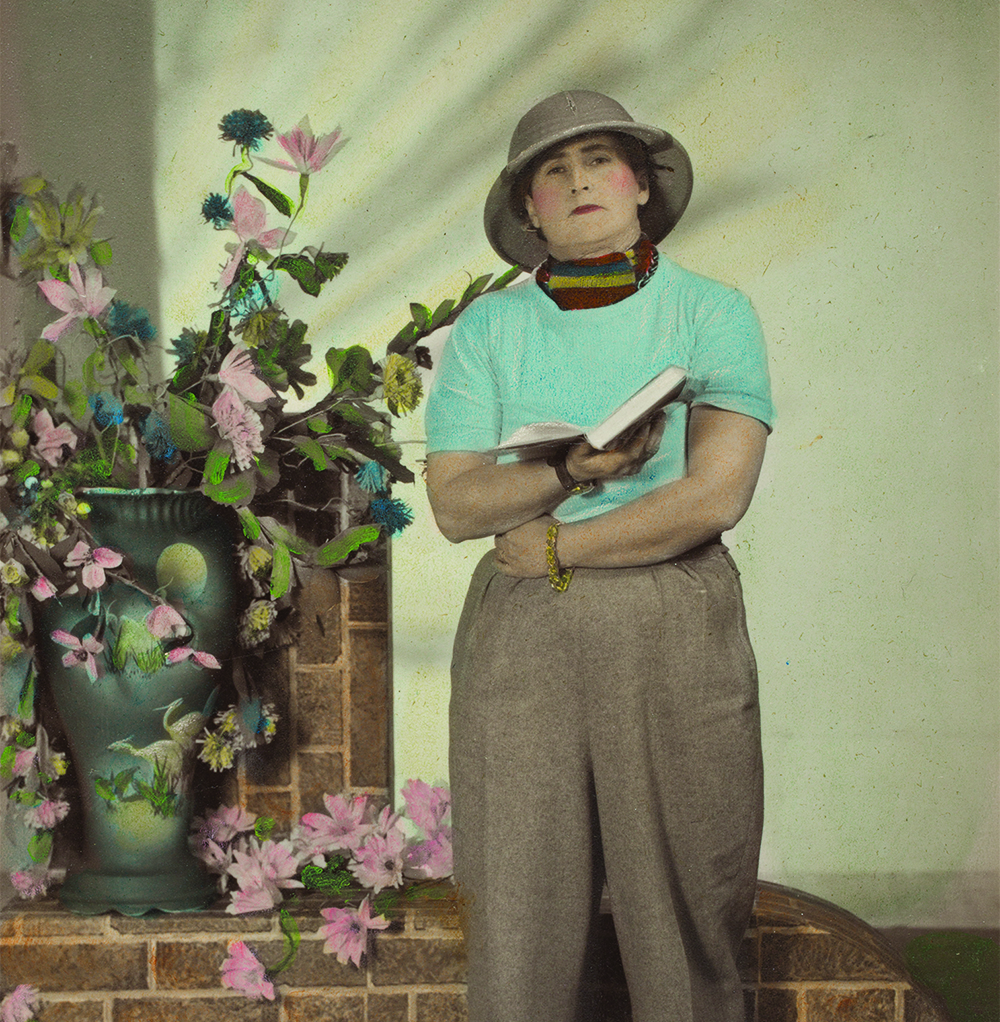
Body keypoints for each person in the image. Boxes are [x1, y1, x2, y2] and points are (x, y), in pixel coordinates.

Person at [424, 90, 775, 1022]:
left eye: (599, 161)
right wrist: (571, 471)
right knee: (520, 908)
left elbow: (713, 495)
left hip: (672, 621)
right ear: (528, 209)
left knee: (686, 901)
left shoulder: (712, 312)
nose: (579, 181)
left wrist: (554, 543)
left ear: (642, 187)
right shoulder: (489, 332)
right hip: (524, 639)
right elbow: (457, 502)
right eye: (552, 169)